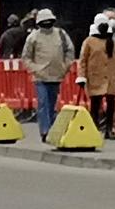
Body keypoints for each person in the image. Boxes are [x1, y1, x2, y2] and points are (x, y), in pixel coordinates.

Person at [21, 9, 75, 142]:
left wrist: (65, 66)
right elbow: (26, 57)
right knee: (43, 103)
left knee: (51, 104)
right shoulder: (33, 37)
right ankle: (45, 130)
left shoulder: (61, 34)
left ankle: (51, 128)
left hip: (57, 74)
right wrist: (35, 69)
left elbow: (70, 50)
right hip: (40, 76)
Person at [79, 13, 115, 139]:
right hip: (95, 76)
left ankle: (109, 129)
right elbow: (83, 60)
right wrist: (82, 76)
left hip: (110, 77)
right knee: (95, 104)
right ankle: (94, 128)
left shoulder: (112, 42)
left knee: (111, 104)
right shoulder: (89, 42)